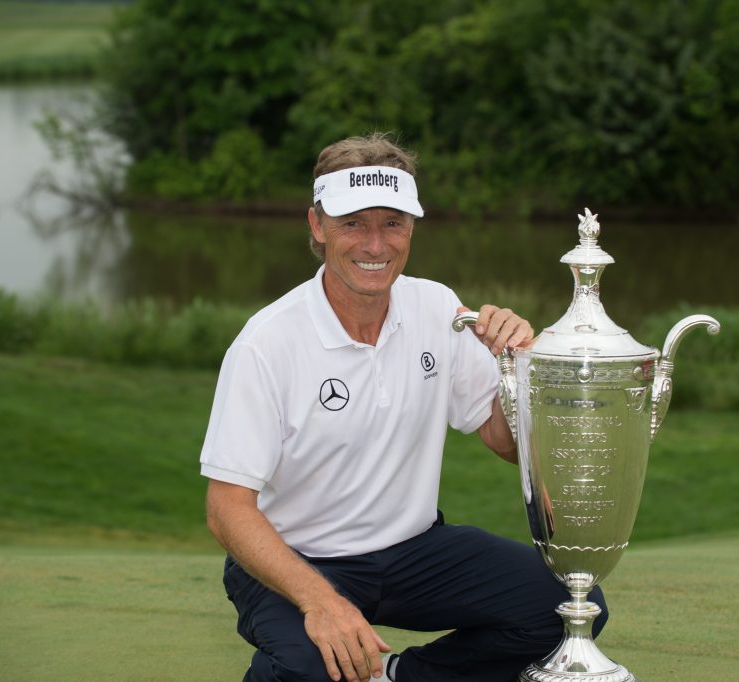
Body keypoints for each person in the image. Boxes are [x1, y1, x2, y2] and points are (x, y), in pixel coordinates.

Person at [200, 133, 607, 682]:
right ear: (317, 226)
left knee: (571, 609)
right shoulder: (266, 343)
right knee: (310, 667)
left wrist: (520, 370)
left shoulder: (436, 305)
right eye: (353, 224)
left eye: (392, 223)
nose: (375, 245)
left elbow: (504, 441)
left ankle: (396, 677)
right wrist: (322, 602)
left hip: (414, 550)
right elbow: (227, 508)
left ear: (412, 225)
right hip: (298, 560)